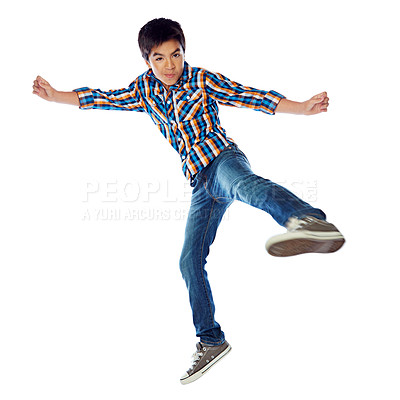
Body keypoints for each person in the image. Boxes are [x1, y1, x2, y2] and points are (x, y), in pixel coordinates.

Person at [32, 17, 345, 385]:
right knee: (188, 261)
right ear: (147, 61)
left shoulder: (201, 80)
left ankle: (309, 220)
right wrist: (56, 96)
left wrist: (302, 107)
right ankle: (211, 340)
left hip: (223, 160)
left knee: (245, 186)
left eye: (176, 55)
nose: (170, 65)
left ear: (185, 52)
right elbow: (102, 98)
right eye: (159, 58)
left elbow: (252, 96)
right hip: (201, 185)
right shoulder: (144, 90)